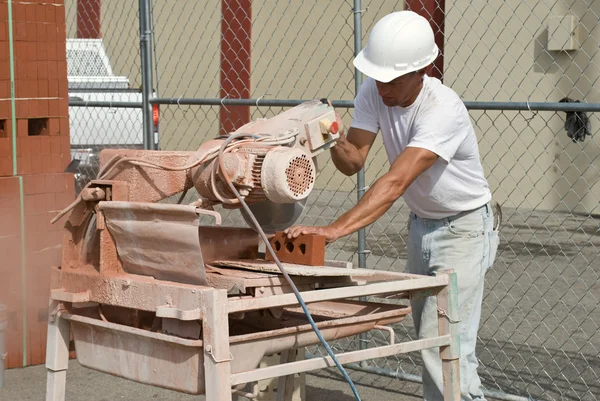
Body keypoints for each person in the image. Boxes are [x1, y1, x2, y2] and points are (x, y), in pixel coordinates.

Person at [285, 10, 499, 401]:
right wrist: (330, 136)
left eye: (392, 79)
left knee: (446, 346)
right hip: (423, 226)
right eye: (377, 76)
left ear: (421, 71)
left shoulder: (442, 109)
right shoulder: (374, 90)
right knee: (434, 344)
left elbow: (396, 181)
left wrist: (332, 230)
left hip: (464, 230)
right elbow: (353, 162)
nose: (382, 87)